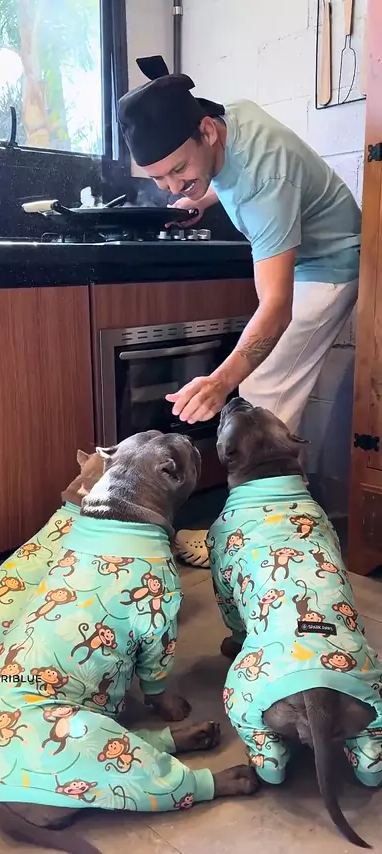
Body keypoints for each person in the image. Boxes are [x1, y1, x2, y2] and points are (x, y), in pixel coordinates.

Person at [117, 55, 361, 567]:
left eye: (179, 170)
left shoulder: (264, 183)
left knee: (261, 408)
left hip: (328, 265)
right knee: (267, 403)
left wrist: (220, 382)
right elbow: (224, 172)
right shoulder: (231, 118)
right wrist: (200, 197)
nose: (172, 186)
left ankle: (245, 539)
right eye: (159, 178)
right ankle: (282, 530)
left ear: (207, 131)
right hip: (309, 253)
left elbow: (277, 308)